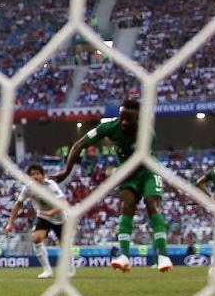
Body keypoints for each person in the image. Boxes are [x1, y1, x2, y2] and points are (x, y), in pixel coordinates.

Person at [54, 100, 172, 274]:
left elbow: (141, 160)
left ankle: (163, 255)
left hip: (148, 172)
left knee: (150, 203)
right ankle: (124, 256)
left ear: (137, 118)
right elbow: (79, 145)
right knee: (127, 206)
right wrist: (66, 171)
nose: (123, 122)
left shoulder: (146, 133)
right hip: (128, 174)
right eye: (121, 117)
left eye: (128, 120)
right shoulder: (109, 127)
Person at [4, 164, 67, 279]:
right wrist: (10, 223)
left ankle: (70, 267)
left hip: (59, 217)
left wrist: (50, 212)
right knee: (36, 238)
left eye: (37, 173)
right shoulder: (28, 188)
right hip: (43, 217)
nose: (35, 176)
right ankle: (47, 270)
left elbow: (63, 203)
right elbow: (17, 206)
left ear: (43, 175)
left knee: (64, 245)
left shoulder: (51, 185)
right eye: (32, 174)